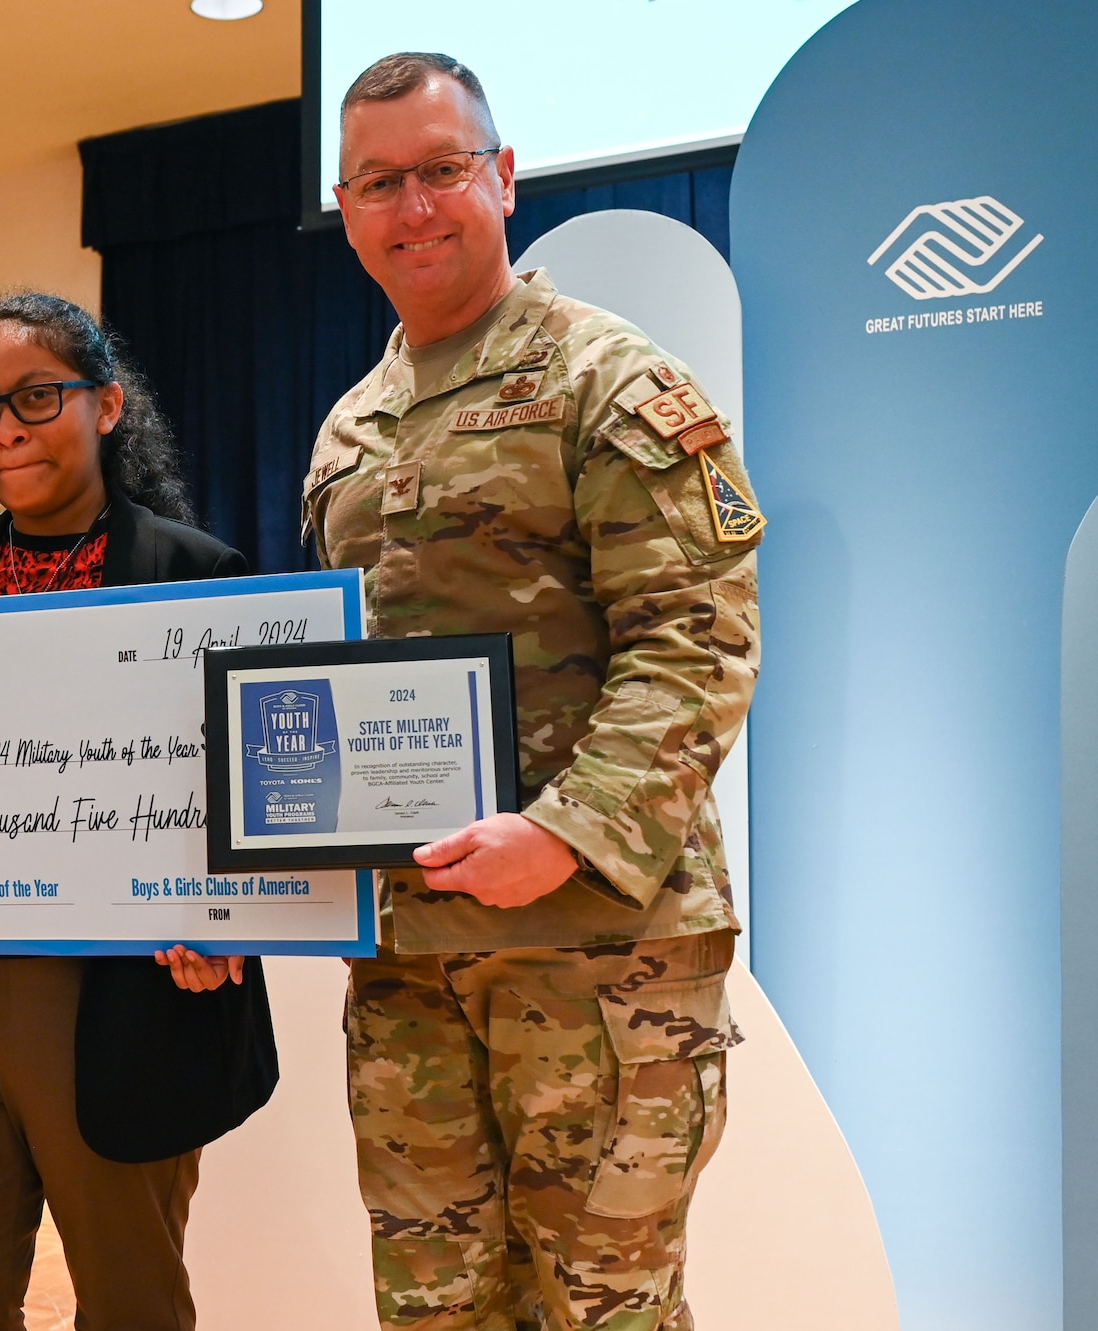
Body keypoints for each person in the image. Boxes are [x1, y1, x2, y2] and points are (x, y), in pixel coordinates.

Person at [308, 54, 766, 1330]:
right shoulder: (350, 427)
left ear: (501, 178)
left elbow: (694, 638)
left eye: (442, 170)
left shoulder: (607, 381)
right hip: (408, 960)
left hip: (598, 958)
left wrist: (561, 833)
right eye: (379, 182)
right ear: (345, 209)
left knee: (602, 1309)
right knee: (431, 1305)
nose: (414, 208)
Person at [0, 291, 276, 1331]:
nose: (7, 430)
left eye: (36, 397)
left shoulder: (194, 569)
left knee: (130, 1298)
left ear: (108, 405)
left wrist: (223, 914)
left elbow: (249, 780)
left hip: (125, 997)